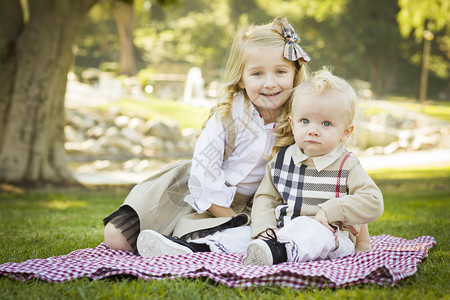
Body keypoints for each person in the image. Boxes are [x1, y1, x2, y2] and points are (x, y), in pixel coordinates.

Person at [103, 17, 311, 255]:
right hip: (205, 195)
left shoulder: (301, 117)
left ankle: (185, 248)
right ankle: (184, 241)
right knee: (117, 237)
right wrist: (232, 219)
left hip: (259, 205)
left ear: (295, 73)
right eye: (257, 74)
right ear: (241, 77)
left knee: (259, 237)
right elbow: (205, 176)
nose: (270, 83)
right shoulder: (229, 117)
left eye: (280, 71)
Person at [242, 68, 384, 266]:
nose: (313, 130)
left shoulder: (347, 165)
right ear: (293, 124)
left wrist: (332, 211)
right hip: (283, 231)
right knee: (244, 231)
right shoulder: (281, 161)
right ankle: (203, 245)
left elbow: (373, 201)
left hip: (330, 237)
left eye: (326, 124)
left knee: (310, 230)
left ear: (345, 132)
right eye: (305, 121)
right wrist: (264, 229)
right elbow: (265, 198)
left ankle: (278, 251)